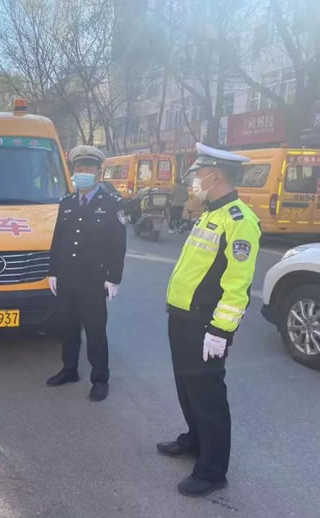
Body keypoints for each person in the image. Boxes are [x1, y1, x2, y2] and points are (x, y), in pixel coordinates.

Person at [158, 143, 261, 497]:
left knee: (208, 395)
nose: (194, 182)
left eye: (198, 175)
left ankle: (213, 470)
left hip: (205, 325)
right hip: (183, 316)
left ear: (215, 176)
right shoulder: (209, 213)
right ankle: (195, 439)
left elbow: (237, 285)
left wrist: (220, 330)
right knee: (187, 386)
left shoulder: (240, 221)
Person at [46, 145, 127, 402]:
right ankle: (69, 370)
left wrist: (114, 278)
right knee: (68, 328)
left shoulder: (112, 204)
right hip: (67, 278)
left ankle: (100, 379)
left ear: (99, 173)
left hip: (93, 281)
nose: (83, 173)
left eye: (88, 169)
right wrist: (53, 271)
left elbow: (118, 245)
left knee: (95, 332)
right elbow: (58, 239)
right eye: (79, 168)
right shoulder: (67, 202)